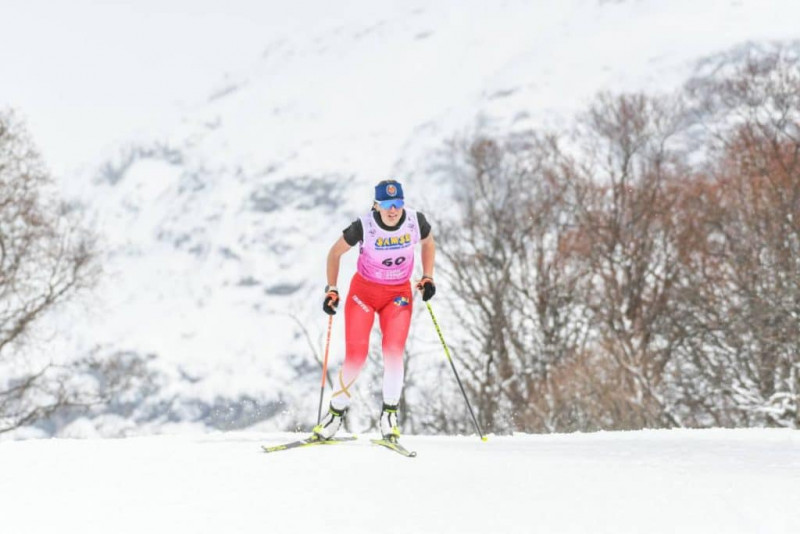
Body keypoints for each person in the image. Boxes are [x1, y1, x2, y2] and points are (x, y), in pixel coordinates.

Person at [314, 179, 436, 441]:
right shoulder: (364, 226)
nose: (393, 210)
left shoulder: (415, 221)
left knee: (393, 351)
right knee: (356, 355)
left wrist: (428, 276)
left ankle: (389, 416)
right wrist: (331, 289)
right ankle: (335, 414)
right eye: (387, 204)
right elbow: (334, 253)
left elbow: (428, 243)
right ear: (376, 205)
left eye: (398, 203)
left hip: (398, 295)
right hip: (364, 294)